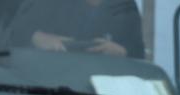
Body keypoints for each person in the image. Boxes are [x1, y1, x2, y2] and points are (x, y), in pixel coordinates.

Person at [11, 0, 145, 58]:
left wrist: (121, 52)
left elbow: (139, 56)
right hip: (52, 86)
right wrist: (37, 37)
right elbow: (9, 32)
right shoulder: (49, 2)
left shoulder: (125, 7)